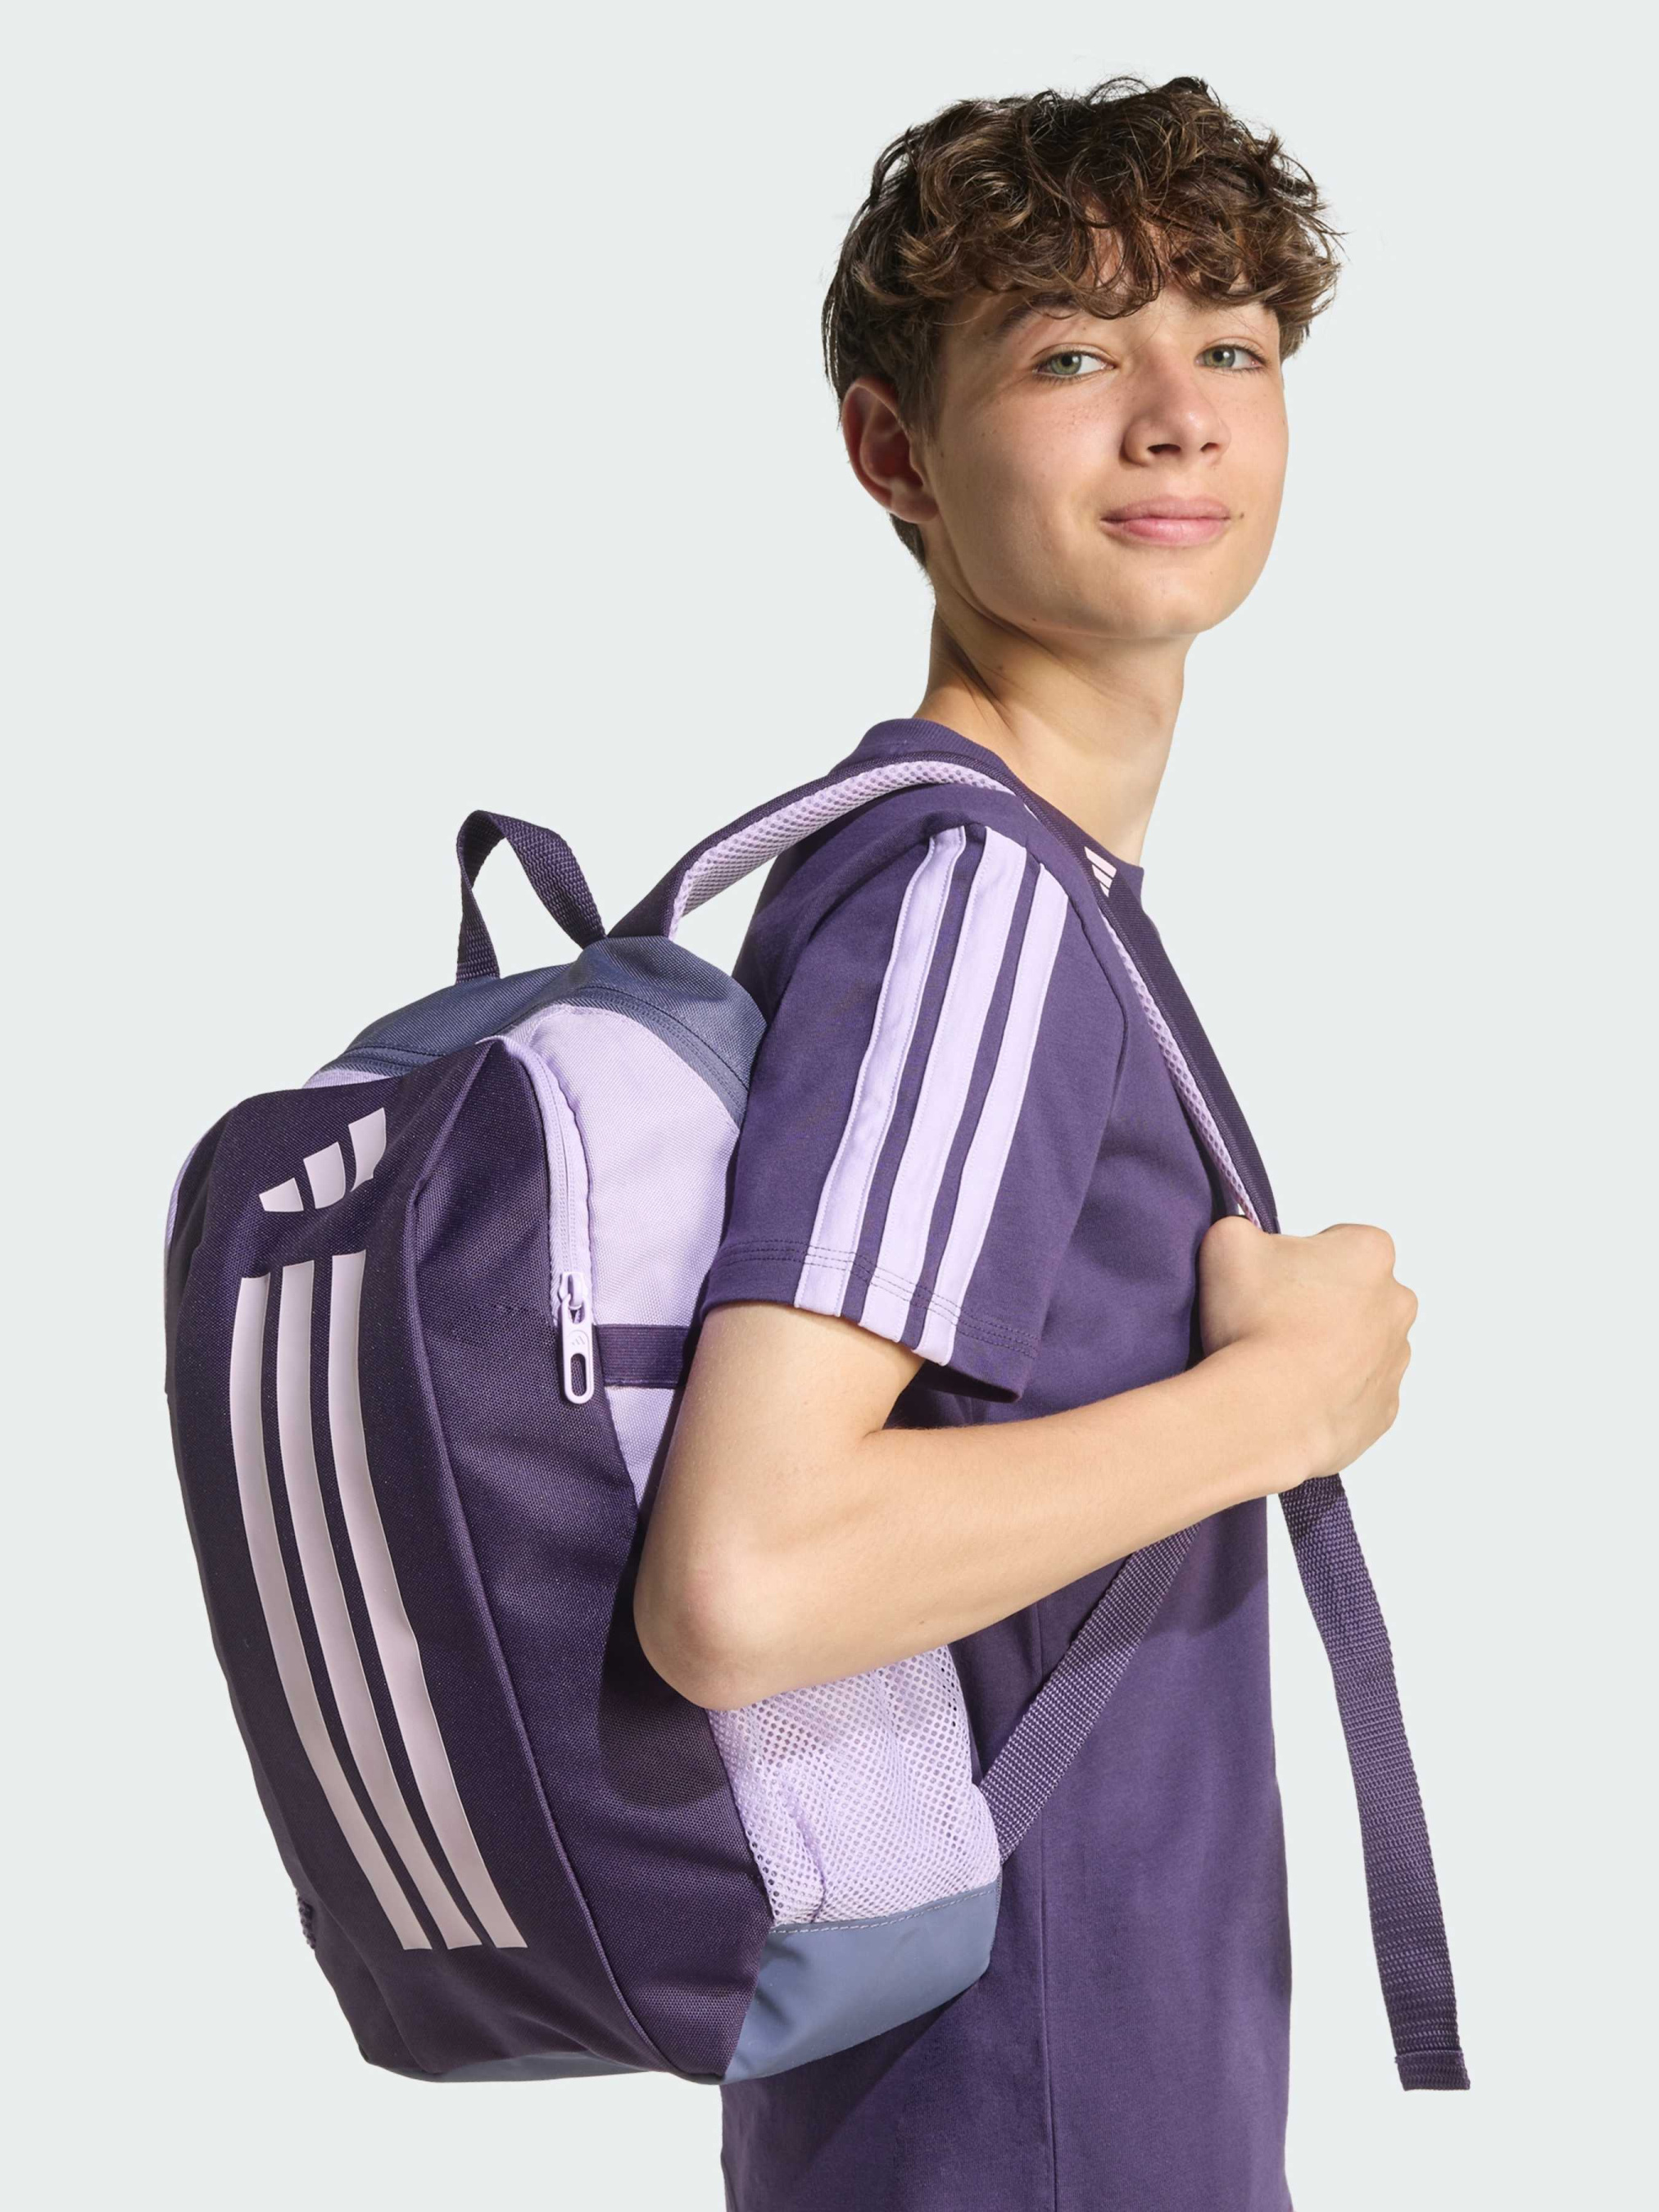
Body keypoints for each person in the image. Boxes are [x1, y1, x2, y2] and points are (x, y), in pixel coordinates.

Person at [634, 74, 1443, 2212]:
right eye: (1074, 354)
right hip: (1030, 2123)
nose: (1176, 417)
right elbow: (744, 1576)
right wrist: (1282, 1401)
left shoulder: (995, 881)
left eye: (1230, 345)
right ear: (892, 450)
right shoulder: (972, 896)